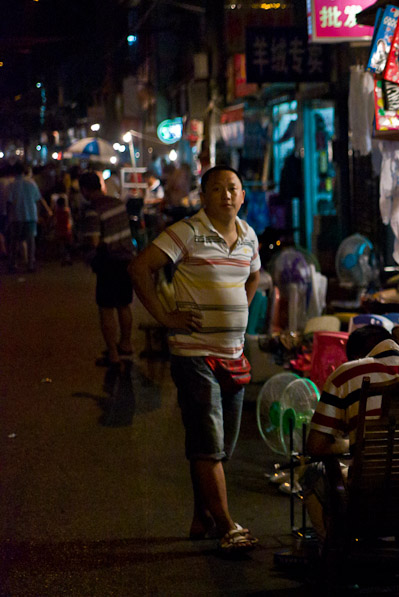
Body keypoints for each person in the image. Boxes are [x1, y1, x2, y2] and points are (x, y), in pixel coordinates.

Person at [128, 165, 261, 552]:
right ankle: (227, 525)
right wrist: (164, 316)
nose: (226, 195)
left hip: (233, 355)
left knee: (220, 444)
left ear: (242, 194)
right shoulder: (187, 231)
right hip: (194, 353)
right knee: (209, 441)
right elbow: (140, 268)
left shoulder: (249, 234)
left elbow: (254, 276)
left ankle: (201, 515)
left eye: (233, 188)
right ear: (203, 196)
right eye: (217, 189)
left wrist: (241, 308)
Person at [302, 325, 399, 540]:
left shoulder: (347, 375)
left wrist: (348, 442)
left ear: (357, 356)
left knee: (311, 472)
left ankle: (337, 551)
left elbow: (315, 445)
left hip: (373, 503)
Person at [78, 172, 137, 366]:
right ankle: (126, 345)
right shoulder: (118, 203)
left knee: (106, 308)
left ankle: (113, 353)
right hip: (126, 260)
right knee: (124, 305)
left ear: (85, 190)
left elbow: (94, 241)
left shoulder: (93, 210)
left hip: (108, 263)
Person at [6, 163, 51, 272]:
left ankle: (13, 264)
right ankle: (30, 264)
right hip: (30, 215)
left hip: (16, 216)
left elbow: (9, 202)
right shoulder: (31, 183)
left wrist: (8, 216)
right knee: (31, 241)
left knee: (15, 241)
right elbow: (39, 198)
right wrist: (48, 210)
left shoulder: (11, 184)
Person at [54, 196, 73, 265]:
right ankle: (68, 258)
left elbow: (55, 221)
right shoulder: (67, 210)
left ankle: (63, 259)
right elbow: (70, 220)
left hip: (60, 231)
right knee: (68, 245)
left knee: (62, 246)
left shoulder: (57, 212)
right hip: (67, 230)